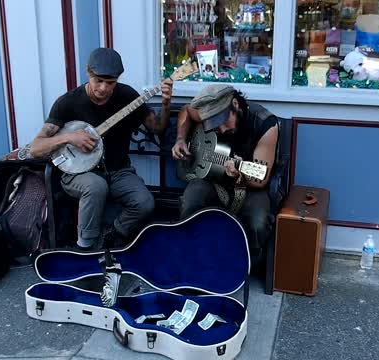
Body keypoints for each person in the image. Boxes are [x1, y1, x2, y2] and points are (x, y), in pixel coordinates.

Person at [25, 47, 173, 250]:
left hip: (118, 171)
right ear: (88, 72)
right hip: (79, 173)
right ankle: (85, 247)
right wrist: (70, 137)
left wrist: (166, 104)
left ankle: (112, 236)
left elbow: (158, 128)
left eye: (110, 83)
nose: (103, 88)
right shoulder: (68, 103)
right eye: (98, 80)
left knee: (145, 202)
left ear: (118, 79)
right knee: (96, 186)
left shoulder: (128, 96)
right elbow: (36, 148)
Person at [172, 84, 278, 264]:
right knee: (191, 201)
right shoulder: (206, 111)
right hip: (212, 180)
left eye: (222, 121)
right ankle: (191, 259)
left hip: (249, 188)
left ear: (235, 104)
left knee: (258, 223)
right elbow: (186, 111)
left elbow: (261, 179)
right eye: (213, 124)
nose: (220, 129)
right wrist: (181, 139)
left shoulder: (264, 124)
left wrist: (240, 174)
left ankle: (240, 267)